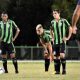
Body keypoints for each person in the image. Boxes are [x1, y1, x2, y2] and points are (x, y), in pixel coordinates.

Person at [50, 9, 72, 74]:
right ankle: (57, 71)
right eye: (53, 13)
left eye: (55, 13)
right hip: (55, 42)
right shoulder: (52, 22)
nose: (54, 14)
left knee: (62, 55)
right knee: (56, 56)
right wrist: (52, 38)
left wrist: (68, 37)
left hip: (62, 42)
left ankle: (64, 70)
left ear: (59, 14)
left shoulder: (63, 21)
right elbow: (51, 30)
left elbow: (70, 28)